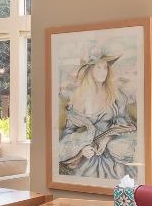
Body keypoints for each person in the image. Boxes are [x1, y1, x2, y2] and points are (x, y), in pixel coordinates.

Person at [57, 46, 137, 181]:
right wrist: (82, 149)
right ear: (90, 70)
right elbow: (69, 133)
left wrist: (108, 138)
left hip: (114, 150)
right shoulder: (78, 98)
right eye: (98, 67)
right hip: (88, 155)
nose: (103, 72)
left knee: (122, 178)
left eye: (105, 68)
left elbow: (126, 123)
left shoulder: (116, 96)